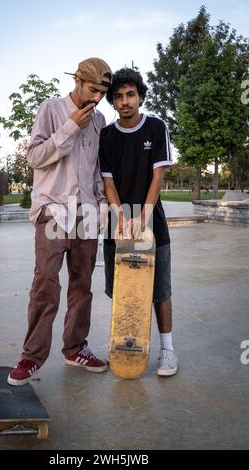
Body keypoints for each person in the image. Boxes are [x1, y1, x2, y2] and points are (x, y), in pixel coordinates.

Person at [8, 58, 113, 386]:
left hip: (86, 214)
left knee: (82, 286)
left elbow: (95, 168)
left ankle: (75, 348)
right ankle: (32, 356)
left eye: (102, 93)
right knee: (46, 284)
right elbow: (35, 157)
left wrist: (100, 207)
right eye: (92, 89)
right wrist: (70, 127)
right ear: (78, 81)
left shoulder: (100, 121)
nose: (96, 98)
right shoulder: (51, 109)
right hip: (53, 210)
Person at [99, 68, 178, 377]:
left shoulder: (157, 128)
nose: (124, 101)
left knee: (160, 289)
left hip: (151, 223)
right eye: (118, 97)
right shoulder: (107, 135)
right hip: (117, 224)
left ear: (141, 97)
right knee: (121, 289)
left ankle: (168, 350)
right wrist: (122, 219)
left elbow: (157, 178)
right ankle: (123, 346)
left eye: (130, 94)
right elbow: (108, 184)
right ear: (113, 102)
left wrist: (141, 220)